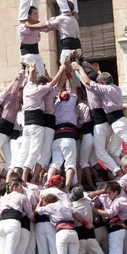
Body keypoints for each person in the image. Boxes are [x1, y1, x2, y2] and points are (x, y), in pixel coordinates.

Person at [73, 64, 127, 173]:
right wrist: (96, 71)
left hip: (117, 123)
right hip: (121, 121)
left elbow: (87, 82)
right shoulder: (116, 88)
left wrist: (79, 68)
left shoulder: (105, 89)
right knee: (112, 150)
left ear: (102, 83)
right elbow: (100, 78)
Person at [18, 62, 65, 182]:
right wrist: (63, 69)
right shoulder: (43, 91)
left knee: (28, 152)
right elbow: (56, 84)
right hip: (42, 123)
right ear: (42, 84)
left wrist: (32, 70)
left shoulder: (28, 88)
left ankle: (26, 177)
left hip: (30, 123)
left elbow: (30, 80)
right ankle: (29, 178)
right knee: (40, 154)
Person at [48, 64, 82, 192]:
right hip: (68, 138)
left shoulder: (57, 105)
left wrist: (62, 73)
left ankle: (47, 183)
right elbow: (74, 88)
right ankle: (67, 188)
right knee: (70, 164)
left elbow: (59, 92)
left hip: (56, 139)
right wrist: (68, 74)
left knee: (55, 163)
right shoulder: (71, 102)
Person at [0, 179, 34, 254]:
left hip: (2, 223)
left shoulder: (3, 198)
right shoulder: (22, 197)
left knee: (1, 253)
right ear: (16, 186)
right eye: (21, 187)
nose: (22, 189)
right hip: (15, 223)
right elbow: (31, 215)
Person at [70, 187, 109, 254]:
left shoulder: (71, 206)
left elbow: (75, 214)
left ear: (73, 197)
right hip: (90, 234)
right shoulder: (88, 200)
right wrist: (105, 189)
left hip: (80, 235)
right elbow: (95, 193)